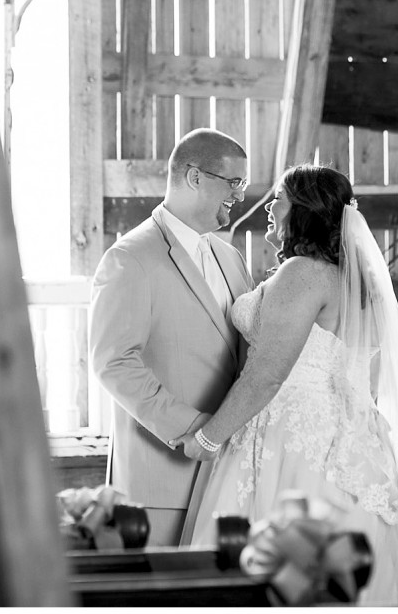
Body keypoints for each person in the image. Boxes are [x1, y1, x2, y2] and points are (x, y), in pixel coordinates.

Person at [173, 164, 398, 605]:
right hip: (346, 445)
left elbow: (268, 373)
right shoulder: (358, 284)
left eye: (277, 197)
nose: (268, 206)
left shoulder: (303, 272)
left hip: (294, 444)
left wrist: (206, 438)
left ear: (303, 208)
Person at [88, 128, 256, 546]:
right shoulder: (129, 258)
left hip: (232, 478)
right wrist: (197, 430)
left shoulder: (231, 258)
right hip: (162, 485)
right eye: (234, 182)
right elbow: (113, 363)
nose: (240, 194)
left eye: (243, 184)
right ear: (195, 177)